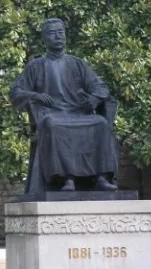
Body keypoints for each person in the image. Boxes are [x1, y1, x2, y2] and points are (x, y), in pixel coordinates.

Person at [10, 18, 119, 193]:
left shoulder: (77, 63)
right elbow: (16, 92)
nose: (58, 37)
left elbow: (100, 86)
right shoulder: (35, 66)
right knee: (54, 125)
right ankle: (66, 179)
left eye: (61, 32)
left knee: (101, 123)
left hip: (79, 113)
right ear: (45, 38)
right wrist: (35, 95)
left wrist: (94, 98)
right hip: (51, 114)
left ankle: (100, 177)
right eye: (52, 33)